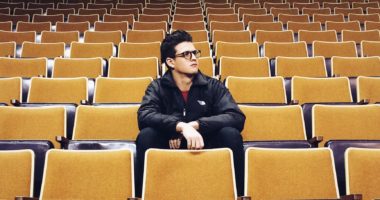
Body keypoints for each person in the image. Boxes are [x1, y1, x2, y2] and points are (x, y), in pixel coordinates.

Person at [136, 30, 245, 197]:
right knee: (146, 135)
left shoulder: (213, 86)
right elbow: (144, 115)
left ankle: (236, 195)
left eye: (195, 53)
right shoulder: (157, 87)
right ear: (171, 62)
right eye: (186, 54)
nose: (194, 58)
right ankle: (144, 194)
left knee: (230, 134)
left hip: (205, 142)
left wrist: (196, 125)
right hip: (168, 143)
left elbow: (236, 116)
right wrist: (179, 127)